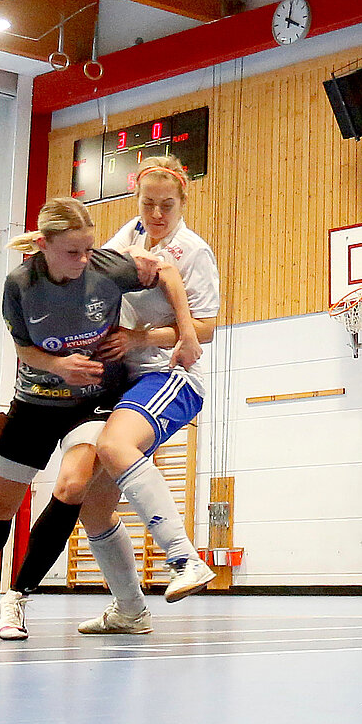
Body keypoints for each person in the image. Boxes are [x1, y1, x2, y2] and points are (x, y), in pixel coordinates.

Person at [0, 197, 196, 639]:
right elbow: (23, 347)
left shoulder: (106, 267)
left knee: (72, 487)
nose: (83, 260)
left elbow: (167, 272)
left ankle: (17, 597)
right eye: (72, 252)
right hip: (36, 402)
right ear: (43, 246)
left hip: (93, 403)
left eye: (88, 249)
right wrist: (59, 366)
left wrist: (184, 331)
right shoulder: (20, 284)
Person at [74, 155, 222, 635]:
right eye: (148, 203)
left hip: (172, 373)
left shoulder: (194, 251)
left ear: (182, 204)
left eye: (167, 206)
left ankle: (185, 561)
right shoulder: (129, 235)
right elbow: (95, 268)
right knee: (94, 508)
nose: (157, 214)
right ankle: (130, 611)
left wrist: (139, 339)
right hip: (130, 380)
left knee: (114, 446)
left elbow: (204, 330)